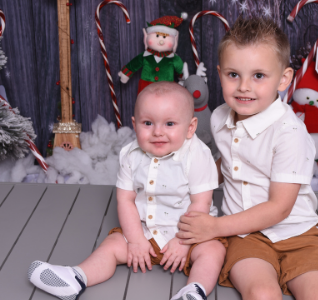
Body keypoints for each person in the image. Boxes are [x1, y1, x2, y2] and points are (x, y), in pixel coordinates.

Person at [177, 17, 318, 300]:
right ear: (219, 74)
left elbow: (279, 208)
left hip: (298, 233)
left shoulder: (289, 132)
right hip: (245, 235)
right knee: (261, 293)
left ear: (283, 79)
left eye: (258, 76)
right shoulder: (220, 117)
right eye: (233, 74)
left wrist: (214, 227)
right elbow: (227, 163)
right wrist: (188, 186)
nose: (244, 86)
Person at [28, 82, 226, 300]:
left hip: (189, 236)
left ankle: (194, 291)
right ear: (135, 124)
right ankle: (76, 277)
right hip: (145, 232)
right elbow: (126, 200)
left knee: (213, 251)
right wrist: (135, 240)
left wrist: (182, 242)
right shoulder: (131, 155)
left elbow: (201, 204)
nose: (158, 132)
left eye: (170, 124)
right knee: (112, 245)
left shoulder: (197, 155)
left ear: (190, 127)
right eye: (148, 123)